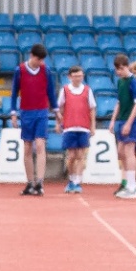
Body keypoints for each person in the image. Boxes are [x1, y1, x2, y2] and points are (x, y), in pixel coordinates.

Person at [9, 44, 54, 195]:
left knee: (40, 145)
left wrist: (56, 109)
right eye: (38, 59)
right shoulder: (20, 70)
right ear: (31, 55)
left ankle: (40, 182)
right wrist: (13, 112)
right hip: (26, 111)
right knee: (27, 147)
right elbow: (14, 92)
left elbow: (50, 91)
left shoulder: (45, 70)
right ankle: (29, 182)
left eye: (42, 60)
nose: (40, 62)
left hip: (41, 111)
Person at [106, 53, 136, 198]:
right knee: (121, 152)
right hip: (121, 120)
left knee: (129, 151)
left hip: (132, 121)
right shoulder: (120, 82)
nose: (119, 72)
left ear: (126, 67)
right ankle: (128, 182)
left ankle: (132, 186)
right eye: (117, 69)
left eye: (121, 69)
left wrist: (129, 122)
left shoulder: (133, 81)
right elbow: (119, 102)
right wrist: (113, 120)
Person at [57, 65, 96, 194]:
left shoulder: (87, 90)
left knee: (80, 155)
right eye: (75, 76)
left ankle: (77, 181)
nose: (77, 78)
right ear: (70, 77)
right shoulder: (65, 90)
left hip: (83, 127)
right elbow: (60, 108)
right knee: (71, 156)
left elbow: (92, 108)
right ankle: (71, 179)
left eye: (80, 76)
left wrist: (93, 125)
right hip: (69, 126)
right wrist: (58, 123)